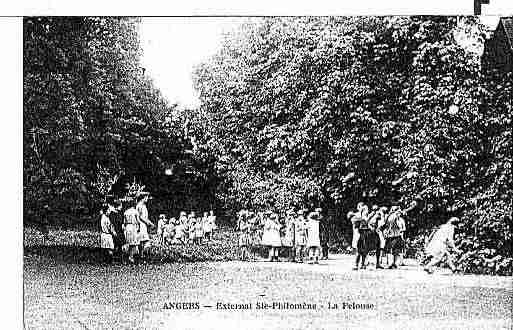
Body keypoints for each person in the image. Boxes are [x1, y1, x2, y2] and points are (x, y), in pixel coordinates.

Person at [136, 193, 154, 262]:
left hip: (144, 224)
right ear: (143, 198)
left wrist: (149, 222)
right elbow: (140, 216)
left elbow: (145, 217)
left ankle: (142, 255)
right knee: (145, 241)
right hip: (141, 224)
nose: (147, 199)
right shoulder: (139, 205)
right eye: (146, 197)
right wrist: (148, 222)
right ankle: (142, 255)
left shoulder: (143, 206)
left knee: (143, 241)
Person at [123, 199, 140, 264]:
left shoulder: (126, 212)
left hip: (127, 226)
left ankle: (126, 256)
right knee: (133, 243)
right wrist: (138, 228)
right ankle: (131, 256)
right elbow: (138, 221)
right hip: (133, 227)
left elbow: (124, 222)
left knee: (128, 242)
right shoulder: (135, 212)